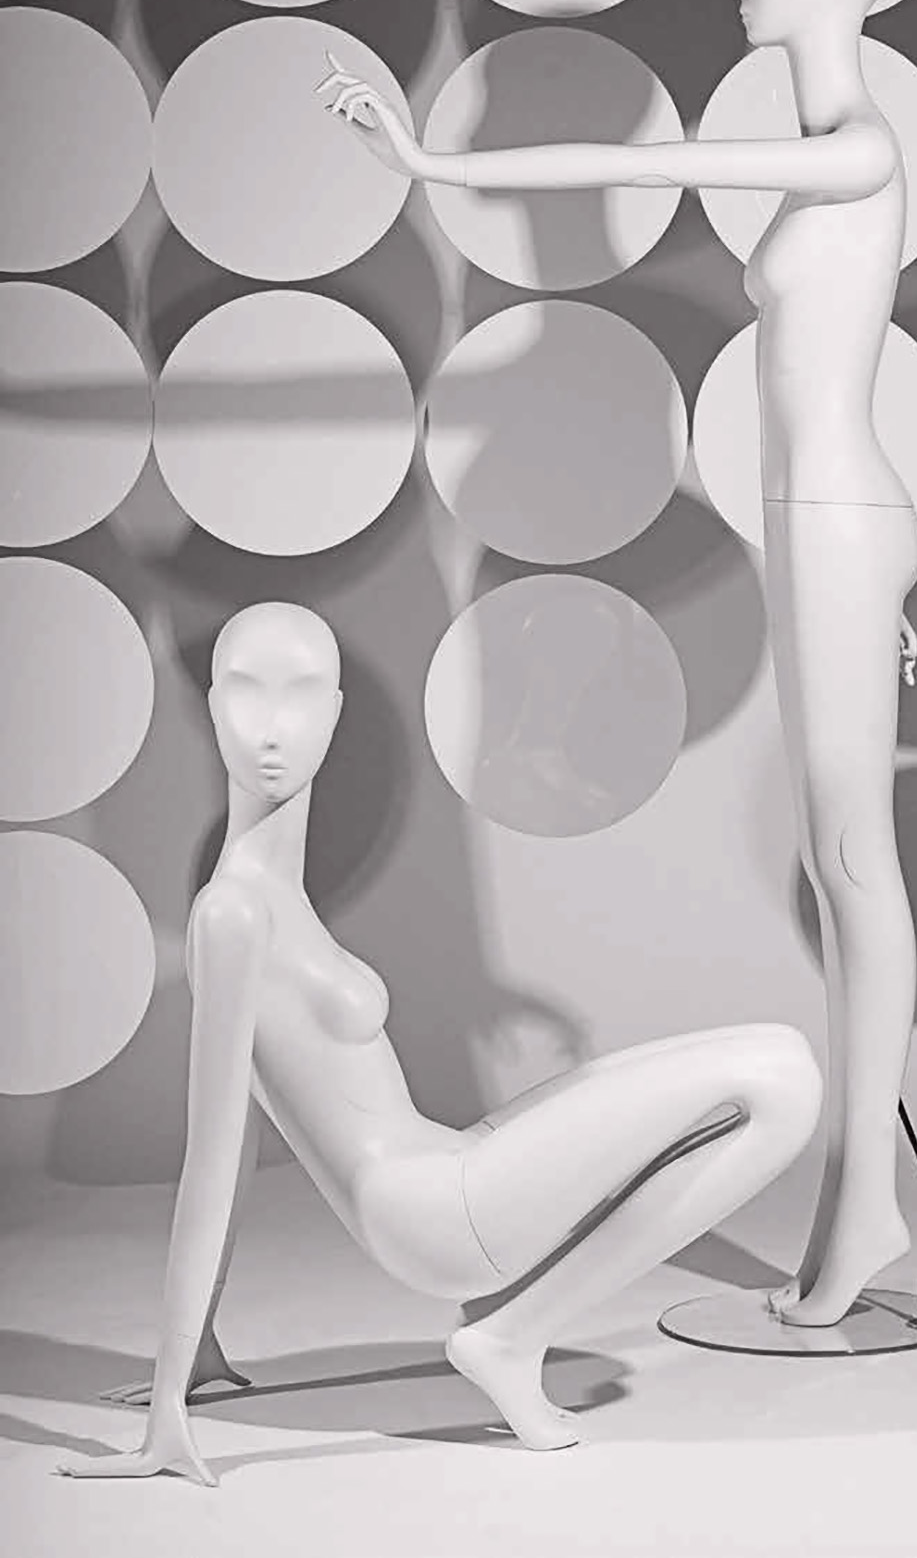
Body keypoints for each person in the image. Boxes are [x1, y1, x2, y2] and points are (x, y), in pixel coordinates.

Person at [314, 0, 917, 1328]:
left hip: (838, 526)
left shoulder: (858, 144)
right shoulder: (832, 150)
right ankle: (860, 1202)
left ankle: (864, 1209)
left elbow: (643, 163)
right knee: (842, 862)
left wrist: (435, 168)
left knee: (853, 862)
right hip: (830, 531)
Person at [59, 602, 820, 1482]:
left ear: (335, 715)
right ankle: (513, 1337)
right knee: (784, 1082)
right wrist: (165, 1408)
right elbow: (214, 1158)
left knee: (775, 1052)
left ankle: (514, 1332)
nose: (272, 728)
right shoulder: (232, 914)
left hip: (455, 1161)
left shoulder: (274, 895)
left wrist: (198, 1351)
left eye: (301, 694)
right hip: (435, 1211)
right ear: (208, 705)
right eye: (245, 691)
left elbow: (253, 1129)